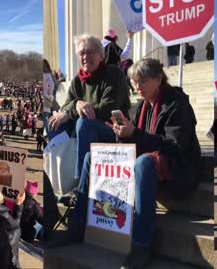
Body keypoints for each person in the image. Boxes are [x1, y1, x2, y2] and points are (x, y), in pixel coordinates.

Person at [68, 58, 201, 268]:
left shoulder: (177, 105)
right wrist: (121, 134)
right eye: (135, 82)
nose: (137, 87)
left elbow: (175, 147)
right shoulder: (141, 106)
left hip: (179, 170)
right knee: (90, 156)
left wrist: (135, 133)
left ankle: (141, 244)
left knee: (142, 163)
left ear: (158, 79)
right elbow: (135, 141)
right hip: (149, 162)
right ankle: (77, 224)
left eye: (142, 81)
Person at [47, 34, 131, 182]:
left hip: (114, 130)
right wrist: (76, 104)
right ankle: (61, 177)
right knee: (53, 121)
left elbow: (107, 110)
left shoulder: (113, 74)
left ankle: (83, 183)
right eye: (82, 53)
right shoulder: (77, 80)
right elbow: (67, 105)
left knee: (84, 123)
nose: (86, 57)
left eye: (91, 52)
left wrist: (74, 111)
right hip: (88, 129)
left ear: (101, 55)